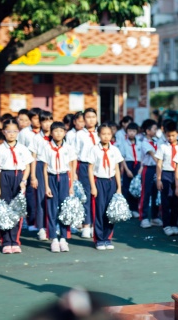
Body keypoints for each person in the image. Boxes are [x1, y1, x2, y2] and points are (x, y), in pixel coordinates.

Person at [0, 119, 34, 254]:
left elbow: (27, 166)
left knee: (16, 210)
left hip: (18, 177)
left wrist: (24, 180)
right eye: (8, 131)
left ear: (18, 132)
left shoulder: (22, 148)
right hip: (4, 176)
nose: (11, 134)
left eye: (14, 131)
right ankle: (6, 242)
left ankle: (14, 241)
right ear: (3, 132)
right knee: (4, 210)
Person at [40, 121, 77, 253]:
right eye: (55, 131)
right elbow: (44, 168)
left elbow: (72, 167)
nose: (58, 133)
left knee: (64, 209)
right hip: (51, 178)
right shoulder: (46, 147)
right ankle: (54, 238)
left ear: (65, 133)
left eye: (61, 131)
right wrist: (46, 187)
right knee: (51, 209)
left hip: (64, 177)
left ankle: (63, 238)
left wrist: (71, 185)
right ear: (51, 133)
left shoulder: (69, 148)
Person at [86, 123, 124, 250]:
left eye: (109, 134)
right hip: (99, 182)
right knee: (99, 210)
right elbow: (90, 169)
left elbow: (117, 169)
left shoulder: (115, 150)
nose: (106, 136)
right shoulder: (94, 149)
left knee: (110, 210)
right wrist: (93, 186)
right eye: (103, 134)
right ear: (98, 135)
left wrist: (119, 187)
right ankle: (99, 239)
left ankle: (108, 238)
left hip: (111, 181)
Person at [29, 110, 53, 241]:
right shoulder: (37, 138)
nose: (47, 124)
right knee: (41, 198)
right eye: (44, 121)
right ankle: (42, 227)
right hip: (39, 167)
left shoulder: (57, 135)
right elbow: (33, 157)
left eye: (50, 121)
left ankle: (52, 225)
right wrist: (33, 176)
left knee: (53, 197)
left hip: (54, 168)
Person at [75, 108, 99, 239]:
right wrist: (74, 172)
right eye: (88, 117)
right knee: (86, 196)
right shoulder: (79, 134)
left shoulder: (101, 132)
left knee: (99, 196)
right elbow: (74, 154)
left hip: (99, 167)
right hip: (84, 166)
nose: (91, 120)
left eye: (93, 117)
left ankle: (97, 225)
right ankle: (86, 225)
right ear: (84, 119)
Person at [155, 120, 178, 236]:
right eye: (168, 135)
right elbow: (159, 164)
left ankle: (174, 223)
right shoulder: (163, 147)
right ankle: (166, 225)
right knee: (166, 201)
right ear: (165, 134)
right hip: (166, 174)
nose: (171, 138)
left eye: (173, 135)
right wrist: (159, 179)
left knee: (176, 200)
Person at [139, 119, 161, 228]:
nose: (156, 131)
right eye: (154, 129)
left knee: (156, 193)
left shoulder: (157, 141)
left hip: (157, 168)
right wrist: (161, 165)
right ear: (148, 131)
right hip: (148, 169)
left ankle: (154, 217)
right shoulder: (144, 143)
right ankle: (143, 217)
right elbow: (153, 155)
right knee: (146, 193)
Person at [118, 122, 141, 219]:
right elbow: (122, 158)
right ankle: (127, 209)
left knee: (136, 188)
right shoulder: (123, 143)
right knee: (127, 188)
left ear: (137, 132)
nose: (132, 133)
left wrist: (140, 170)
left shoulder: (140, 143)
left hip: (138, 166)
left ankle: (135, 209)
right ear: (126, 132)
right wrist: (127, 170)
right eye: (130, 131)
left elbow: (142, 158)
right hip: (128, 165)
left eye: (134, 131)